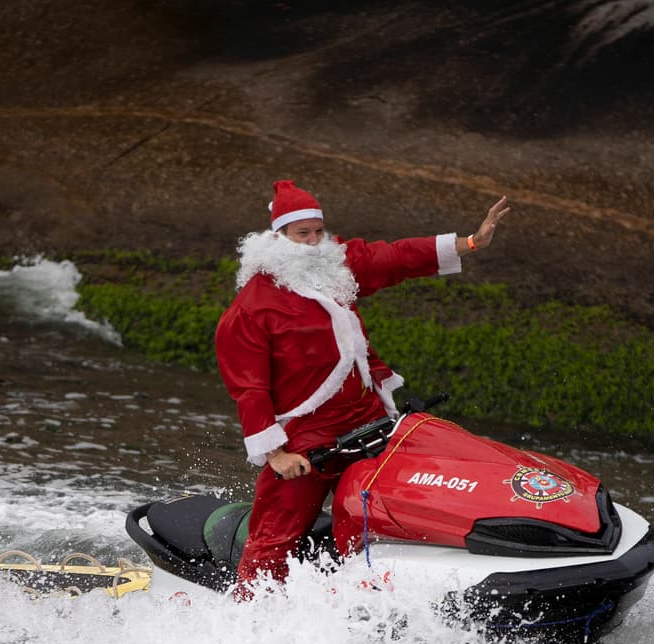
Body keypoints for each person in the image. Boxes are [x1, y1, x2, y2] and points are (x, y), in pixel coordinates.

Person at [215, 179, 509, 598]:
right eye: (304, 234)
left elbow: (395, 257)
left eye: (319, 231)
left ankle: (377, 595)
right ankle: (249, 614)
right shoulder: (251, 308)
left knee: (393, 504)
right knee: (276, 534)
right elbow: (249, 388)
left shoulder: (337, 265)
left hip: (367, 417)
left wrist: (471, 242)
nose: (316, 242)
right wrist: (277, 454)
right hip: (306, 437)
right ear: (278, 236)